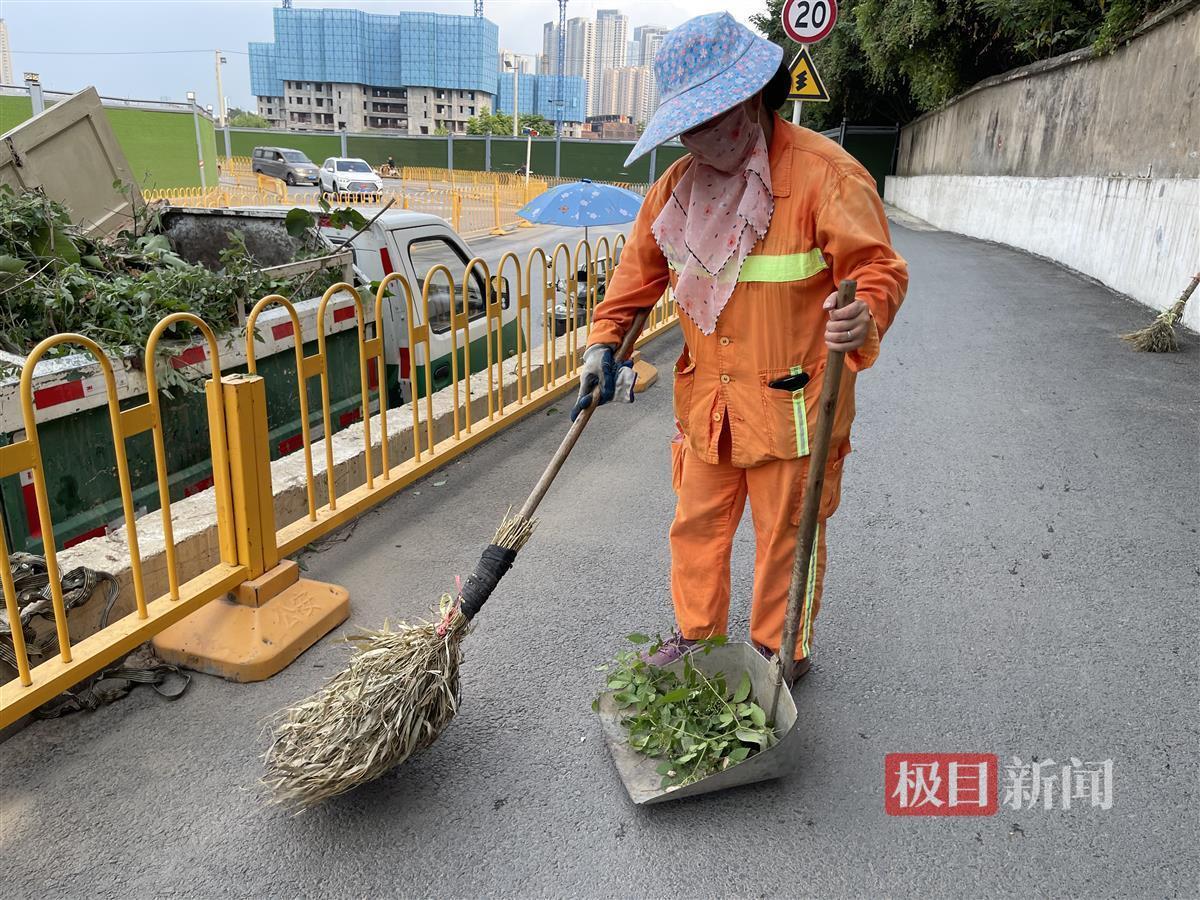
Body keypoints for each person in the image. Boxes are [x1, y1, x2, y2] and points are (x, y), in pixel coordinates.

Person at [572, 12, 908, 683]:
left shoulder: (824, 178)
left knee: (787, 539)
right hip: (710, 405)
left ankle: (776, 653)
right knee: (695, 528)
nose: (694, 141)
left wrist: (865, 315)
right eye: (684, 128)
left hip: (794, 405)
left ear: (750, 99)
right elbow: (634, 281)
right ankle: (697, 638)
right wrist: (602, 346)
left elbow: (877, 270)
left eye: (706, 120)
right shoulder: (677, 190)